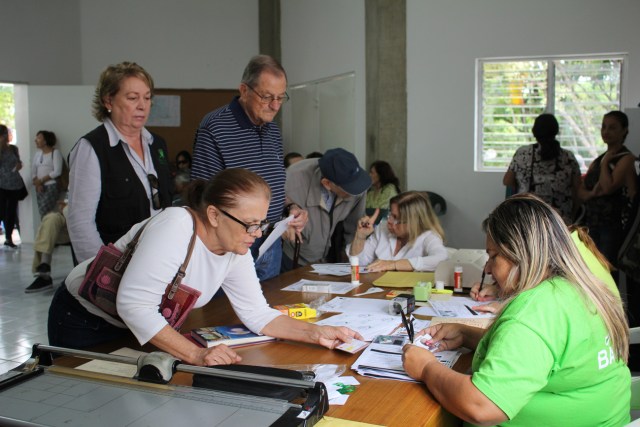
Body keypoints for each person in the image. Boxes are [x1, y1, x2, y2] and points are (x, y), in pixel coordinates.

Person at [48, 168, 363, 366]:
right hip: (83, 317)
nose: (256, 234)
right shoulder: (176, 226)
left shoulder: (234, 247)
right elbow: (134, 304)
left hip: (136, 328)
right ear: (214, 215)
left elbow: (257, 313)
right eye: (250, 224)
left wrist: (316, 332)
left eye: (262, 224)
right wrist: (195, 354)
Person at [402, 194, 630, 426]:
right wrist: (468, 334)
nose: (488, 268)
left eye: (493, 256)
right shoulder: (576, 285)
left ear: (522, 252)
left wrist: (427, 368)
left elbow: (482, 405)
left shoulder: (534, 310)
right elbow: (543, 354)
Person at [191, 55, 307, 281]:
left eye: (281, 98)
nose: (275, 106)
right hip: (233, 247)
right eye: (266, 97)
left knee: (264, 310)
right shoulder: (214, 127)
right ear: (244, 90)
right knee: (224, 313)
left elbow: (272, 187)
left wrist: (291, 208)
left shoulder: (273, 130)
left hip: (270, 243)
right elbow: (201, 198)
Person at [66, 62, 173, 264]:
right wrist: (100, 272)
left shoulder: (157, 144)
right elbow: (80, 223)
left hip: (156, 261)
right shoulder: (92, 148)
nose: (142, 105)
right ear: (108, 100)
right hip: (115, 266)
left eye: (147, 98)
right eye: (132, 98)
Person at [282, 148, 371, 268]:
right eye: (348, 190)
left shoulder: (357, 183)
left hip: (327, 257)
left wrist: (351, 259)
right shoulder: (293, 179)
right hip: (291, 254)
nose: (354, 193)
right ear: (327, 184)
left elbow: (354, 227)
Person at [579, 110, 637, 269]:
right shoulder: (599, 159)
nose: (606, 132)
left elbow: (608, 186)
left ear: (624, 130)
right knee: (591, 270)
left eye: (612, 128)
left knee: (606, 271)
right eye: (603, 127)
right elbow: (581, 192)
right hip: (592, 223)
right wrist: (591, 194)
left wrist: (605, 164)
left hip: (612, 225)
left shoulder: (626, 158)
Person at [503, 113, 581, 223]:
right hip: (560, 221)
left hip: (528, 219)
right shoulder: (568, 157)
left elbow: (507, 181)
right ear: (556, 131)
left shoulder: (523, 153)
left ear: (534, 132)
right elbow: (577, 192)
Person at [348, 191, 448, 272]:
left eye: (395, 218)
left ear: (413, 221)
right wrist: (360, 236)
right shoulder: (383, 228)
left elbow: (441, 259)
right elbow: (359, 263)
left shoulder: (429, 236)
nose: (389, 221)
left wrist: (393, 264)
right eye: (390, 214)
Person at [25, 201, 70, 293]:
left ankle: (43, 277)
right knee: (51, 218)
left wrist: (67, 209)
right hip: (66, 224)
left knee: (48, 227)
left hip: (83, 227)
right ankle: (44, 268)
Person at [0, 124, 24, 249]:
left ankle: (9, 237)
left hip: (14, 184)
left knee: (11, 212)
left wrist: (19, 165)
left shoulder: (13, 148)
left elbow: (18, 161)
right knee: (2, 211)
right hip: (2, 185)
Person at [31, 130, 63, 218]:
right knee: (43, 213)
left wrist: (41, 181)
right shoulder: (38, 154)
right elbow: (33, 171)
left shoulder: (55, 153)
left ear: (45, 141)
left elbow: (57, 171)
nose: (35, 140)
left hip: (51, 186)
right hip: (39, 187)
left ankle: (46, 231)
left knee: (44, 211)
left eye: (39, 138)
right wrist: (37, 184)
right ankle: (46, 230)